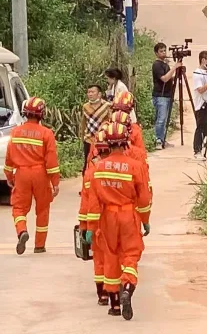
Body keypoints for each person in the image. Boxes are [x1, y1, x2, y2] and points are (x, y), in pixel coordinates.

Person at [85, 122, 151, 320]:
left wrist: (90, 227)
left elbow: (93, 203)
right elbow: (144, 198)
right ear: (124, 143)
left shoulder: (98, 167)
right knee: (131, 254)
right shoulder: (135, 166)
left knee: (111, 256)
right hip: (128, 215)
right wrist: (145, 220)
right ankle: (128, 288)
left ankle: (114, 306)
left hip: (107, 218)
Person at [4, 97, 61, 255]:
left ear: (25, 113)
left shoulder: (15, 132)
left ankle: (22, 231)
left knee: (19, 208)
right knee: (43, 209)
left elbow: (9, 158)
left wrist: (9, 176)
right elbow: (51, 161)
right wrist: (55, 182)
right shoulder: (46, 133)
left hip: (21, 173)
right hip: (40, 174)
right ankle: (39, 245)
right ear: (42, 114)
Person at [78, 129, 111, 306]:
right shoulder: (127, 167)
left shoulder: (91, 172)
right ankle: (116, 292)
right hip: (119, 221)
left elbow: (87, 202)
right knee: (115, 256)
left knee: (99, 258)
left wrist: (85, 226)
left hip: (97, 223)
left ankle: (103, 295)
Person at [152, 42, 184, 150]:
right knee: (160, 119)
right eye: (161, 51)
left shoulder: (165, 64)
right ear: (156, 53)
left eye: (165, 50)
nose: (164, 53)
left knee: (165, 119)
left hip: (167, 94)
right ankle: (158, 140)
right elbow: (164, 78)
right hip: (160, 95)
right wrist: (175, 67)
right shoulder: (156, 65)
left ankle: (162, 139)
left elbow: (170, 78)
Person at [80, 85, 112, 174]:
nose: (90, 94)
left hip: (103, 140)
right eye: (88, 92)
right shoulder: (85, 107)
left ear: (99, 94)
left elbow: (111, 121)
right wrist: (82, 137)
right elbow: (83, 123)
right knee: (88, 162)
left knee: (103, 162)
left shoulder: (107, 106)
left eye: (92, 92)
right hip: (89, 139)